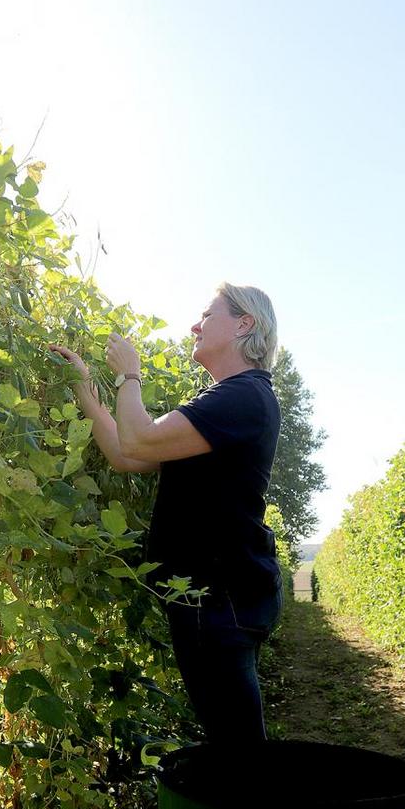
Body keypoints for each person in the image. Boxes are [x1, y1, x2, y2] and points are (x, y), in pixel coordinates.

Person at [48, 282, 283, 743]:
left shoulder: (242, 397)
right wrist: (84, 388)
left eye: (207, 315)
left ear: (244, 323)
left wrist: (130, 375)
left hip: (220, 599)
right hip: (214, 598)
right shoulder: (228, 401)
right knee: (231, 737)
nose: (195, 325)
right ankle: (249, 807)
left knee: (238, 750)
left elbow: (138, 439)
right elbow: (129, 455)